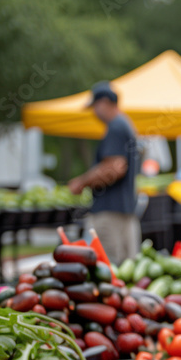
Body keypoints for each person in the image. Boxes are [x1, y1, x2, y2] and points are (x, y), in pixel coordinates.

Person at [68, 81, 141, 264]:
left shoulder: (116, 127)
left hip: (109, 214)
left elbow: (115, 168)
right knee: (127, 268)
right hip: (125, 210)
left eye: (94, 106)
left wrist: (81, 182)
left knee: (109, 267)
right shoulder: (126, 124)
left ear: (105, 102)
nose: (94, 112)